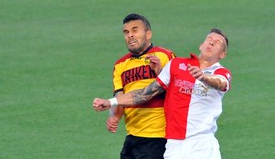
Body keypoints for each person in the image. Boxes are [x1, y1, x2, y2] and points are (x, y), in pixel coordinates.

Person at [93, 28, 232, 159]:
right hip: (174, 146)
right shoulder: (176, 64)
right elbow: (145, 93)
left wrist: (204, 77)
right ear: (201, 45)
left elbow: (221, 83)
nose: (212, 42)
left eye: (218, 42)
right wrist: (111, 102)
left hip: (203, 145)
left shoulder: (220, 73)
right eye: (209, 39)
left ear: (222, 54)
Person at [104, 13, 176, 159]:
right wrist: (115, 116)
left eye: (135, 30)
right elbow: (119, 96)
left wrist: (160, 72)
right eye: (126, 32)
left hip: (157, 136)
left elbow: (177, 91)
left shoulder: (165, 56)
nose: (130, 35)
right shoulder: (120, 65)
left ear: (148, 34)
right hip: (132, 136)